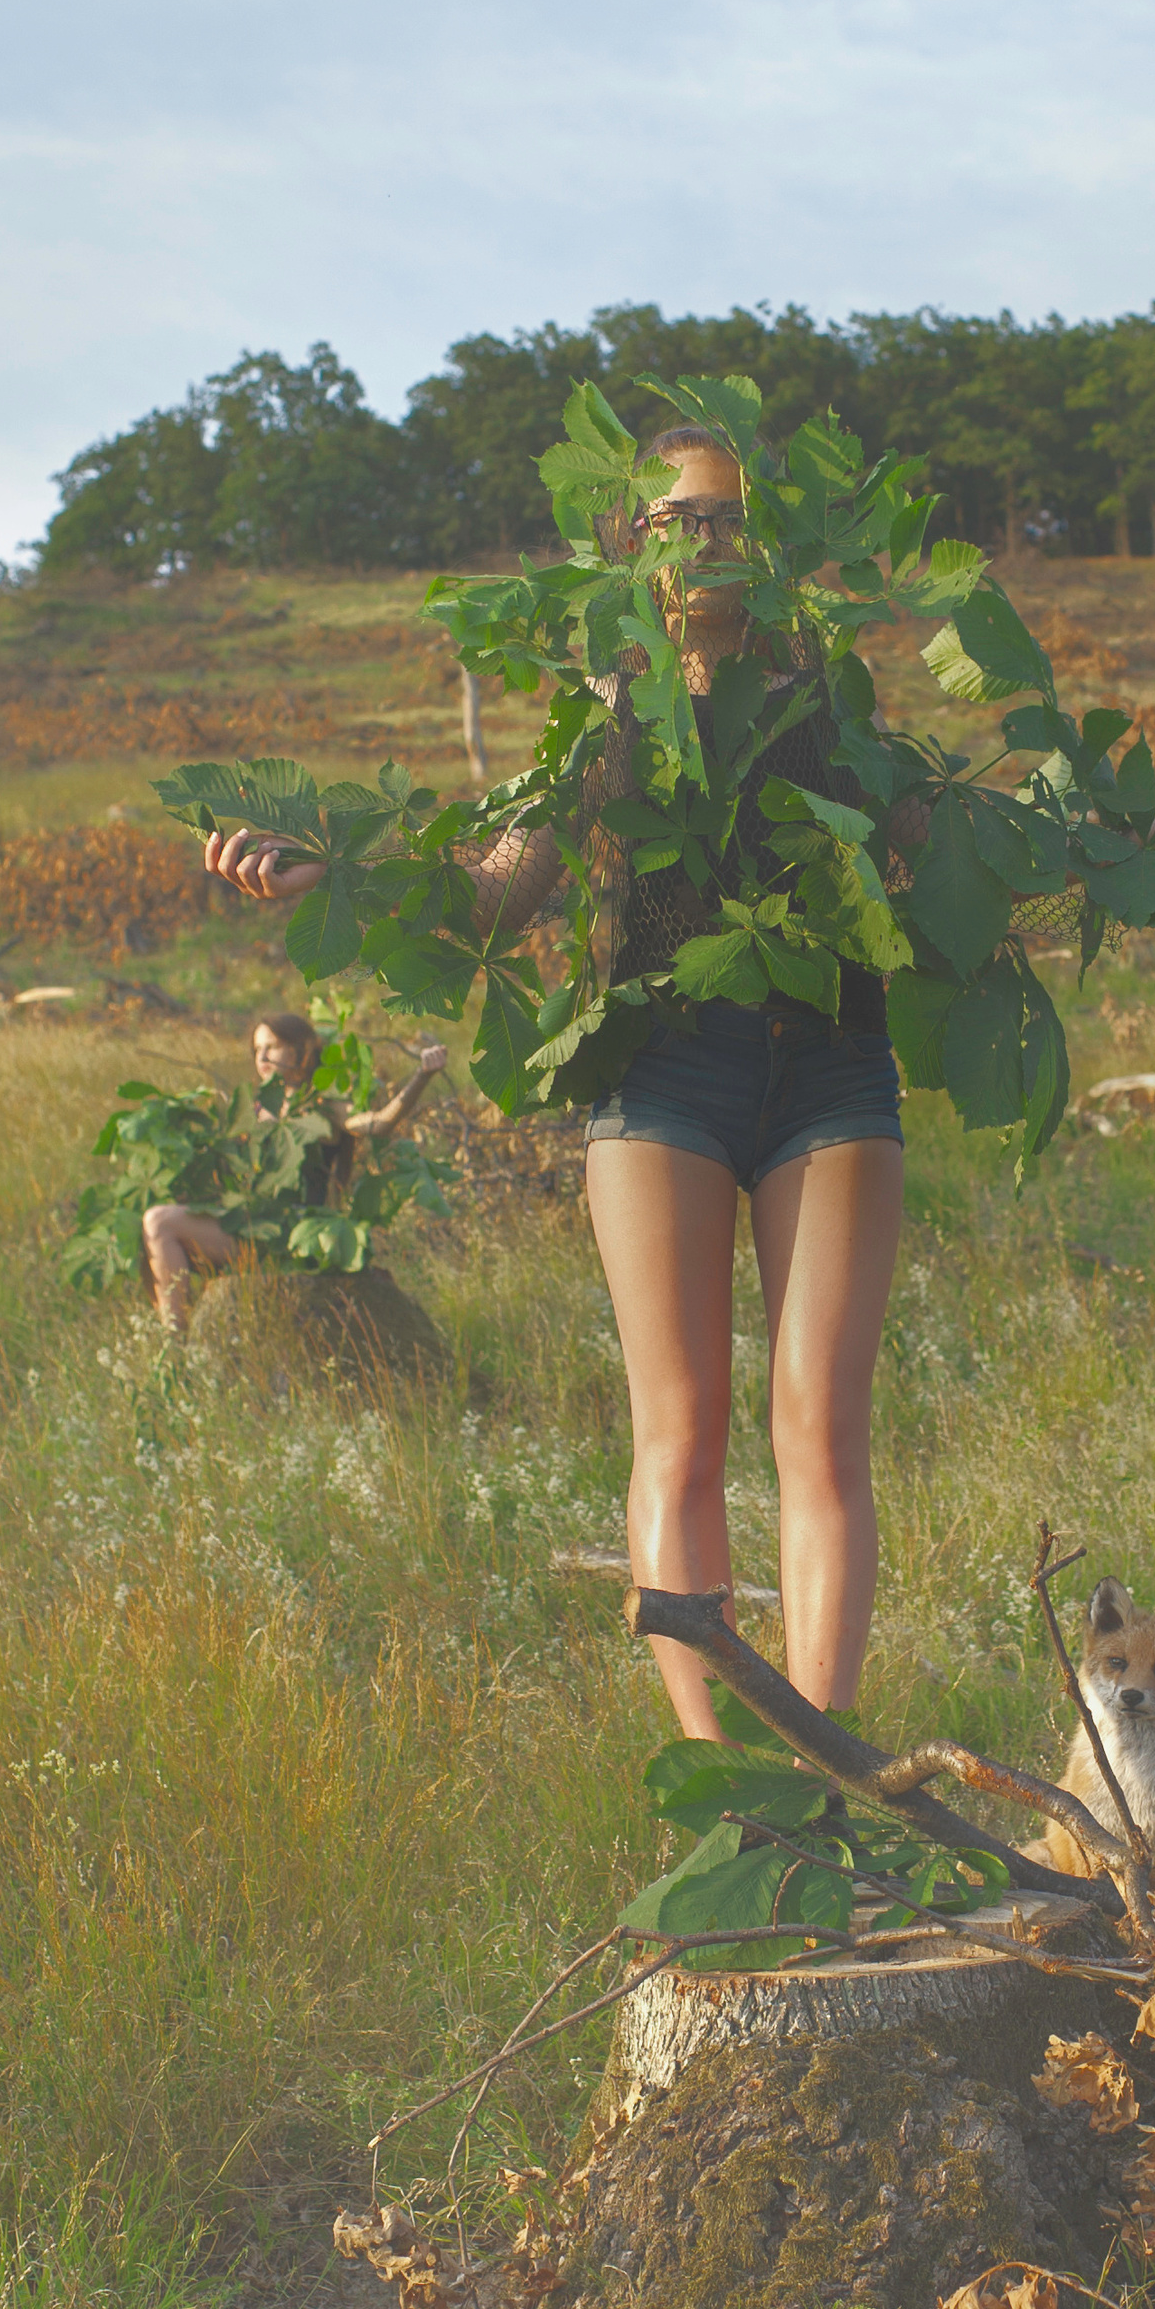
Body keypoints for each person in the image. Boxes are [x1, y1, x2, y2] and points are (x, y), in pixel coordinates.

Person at [205, 432, 903, 1740]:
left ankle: (825, 1769)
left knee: (819, 1424)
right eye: (674, 519)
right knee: (681, 1427)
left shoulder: (836, 709)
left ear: (771, 539)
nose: (703, 541)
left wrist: (1132, 841)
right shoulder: (607, 719)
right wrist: (335, 873)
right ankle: (720, 1781)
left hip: (834, 1064)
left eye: (727, 517)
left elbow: (959, 860)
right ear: (632, 546)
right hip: (660, 1070)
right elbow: (489, 891)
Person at [140, 1008, 447, 1332]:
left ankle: (176, 1341)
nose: (263, 1056)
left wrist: (421, 1077)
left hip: (295, 1231)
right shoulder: (258, 1107)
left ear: (302, 1049)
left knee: (160, 1221)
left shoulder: (323, 1103)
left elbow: (379, 1123)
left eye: (271, 1046)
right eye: (257, 1049)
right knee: (152, 1225)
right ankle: (175, 1340)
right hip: (251, 1223)